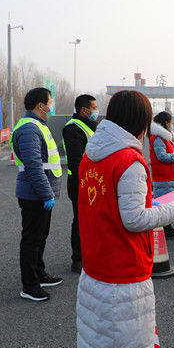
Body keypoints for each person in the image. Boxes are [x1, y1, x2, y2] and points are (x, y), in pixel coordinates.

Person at [76, 90, 174, 348]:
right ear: (140, 122)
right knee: (120, 333)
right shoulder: (128, 161)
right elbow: (134, 218)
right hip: (122, 262)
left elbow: (110, 206)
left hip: (97, 255)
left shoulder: (93, 152)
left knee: (110, 331)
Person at [10, 87, 63, 302]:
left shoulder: (38, 125)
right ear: (41, 106)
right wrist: (46, 194)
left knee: (41, 236)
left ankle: (39, 273)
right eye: (50, 102)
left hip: (40, 193)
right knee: (32, 240)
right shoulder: (29, 129)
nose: (52, 106)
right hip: (35, 195)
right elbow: (33, 165)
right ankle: (29, 285)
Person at [62, 94, 98, 273]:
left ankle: (91, 254)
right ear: (84, 110)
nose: (96, 111)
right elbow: (76, 161)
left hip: (94, 181)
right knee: (81, 221)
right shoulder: (72, 128)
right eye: (93, 108)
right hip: (80, 182)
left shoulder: (90, 126)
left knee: (94, 220)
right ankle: (78, 259)